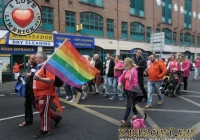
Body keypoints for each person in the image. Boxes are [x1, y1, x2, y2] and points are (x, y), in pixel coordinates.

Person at [33, 51, 62, 139]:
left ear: (41, 58)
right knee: (40, 109)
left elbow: (51, 80)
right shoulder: (39, 67)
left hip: (45, 93)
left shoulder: (48, 67)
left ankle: (45, 130)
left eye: (36, 57)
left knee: (43, 112)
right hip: (38, 93)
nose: (35, 59)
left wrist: (40, 79)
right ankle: (56, 117)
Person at [118, 58, 143, 125]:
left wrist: (134, 90)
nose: (123, 64)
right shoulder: (126, 70)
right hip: (126, 90)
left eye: (124, 62)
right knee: (132, 104)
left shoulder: (133, 70)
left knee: (129, 105)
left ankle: (124, 119)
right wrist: (119, 82)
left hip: (131, 90)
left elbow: (135, 81)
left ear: (128, 63)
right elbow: (121, 77)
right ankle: (135, 114)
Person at [19, 55, 37, 127]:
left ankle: (55, 117)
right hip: (28, 89)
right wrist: (22, 77)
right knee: (27, 105)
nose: (31, 60)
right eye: (30, 58)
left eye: (33, 58)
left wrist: (31, 75)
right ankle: (28, 121)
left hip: (34, 89)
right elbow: (28, 75)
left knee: (36, 106)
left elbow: (39, 75)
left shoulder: (38, 66)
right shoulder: (30, 66)